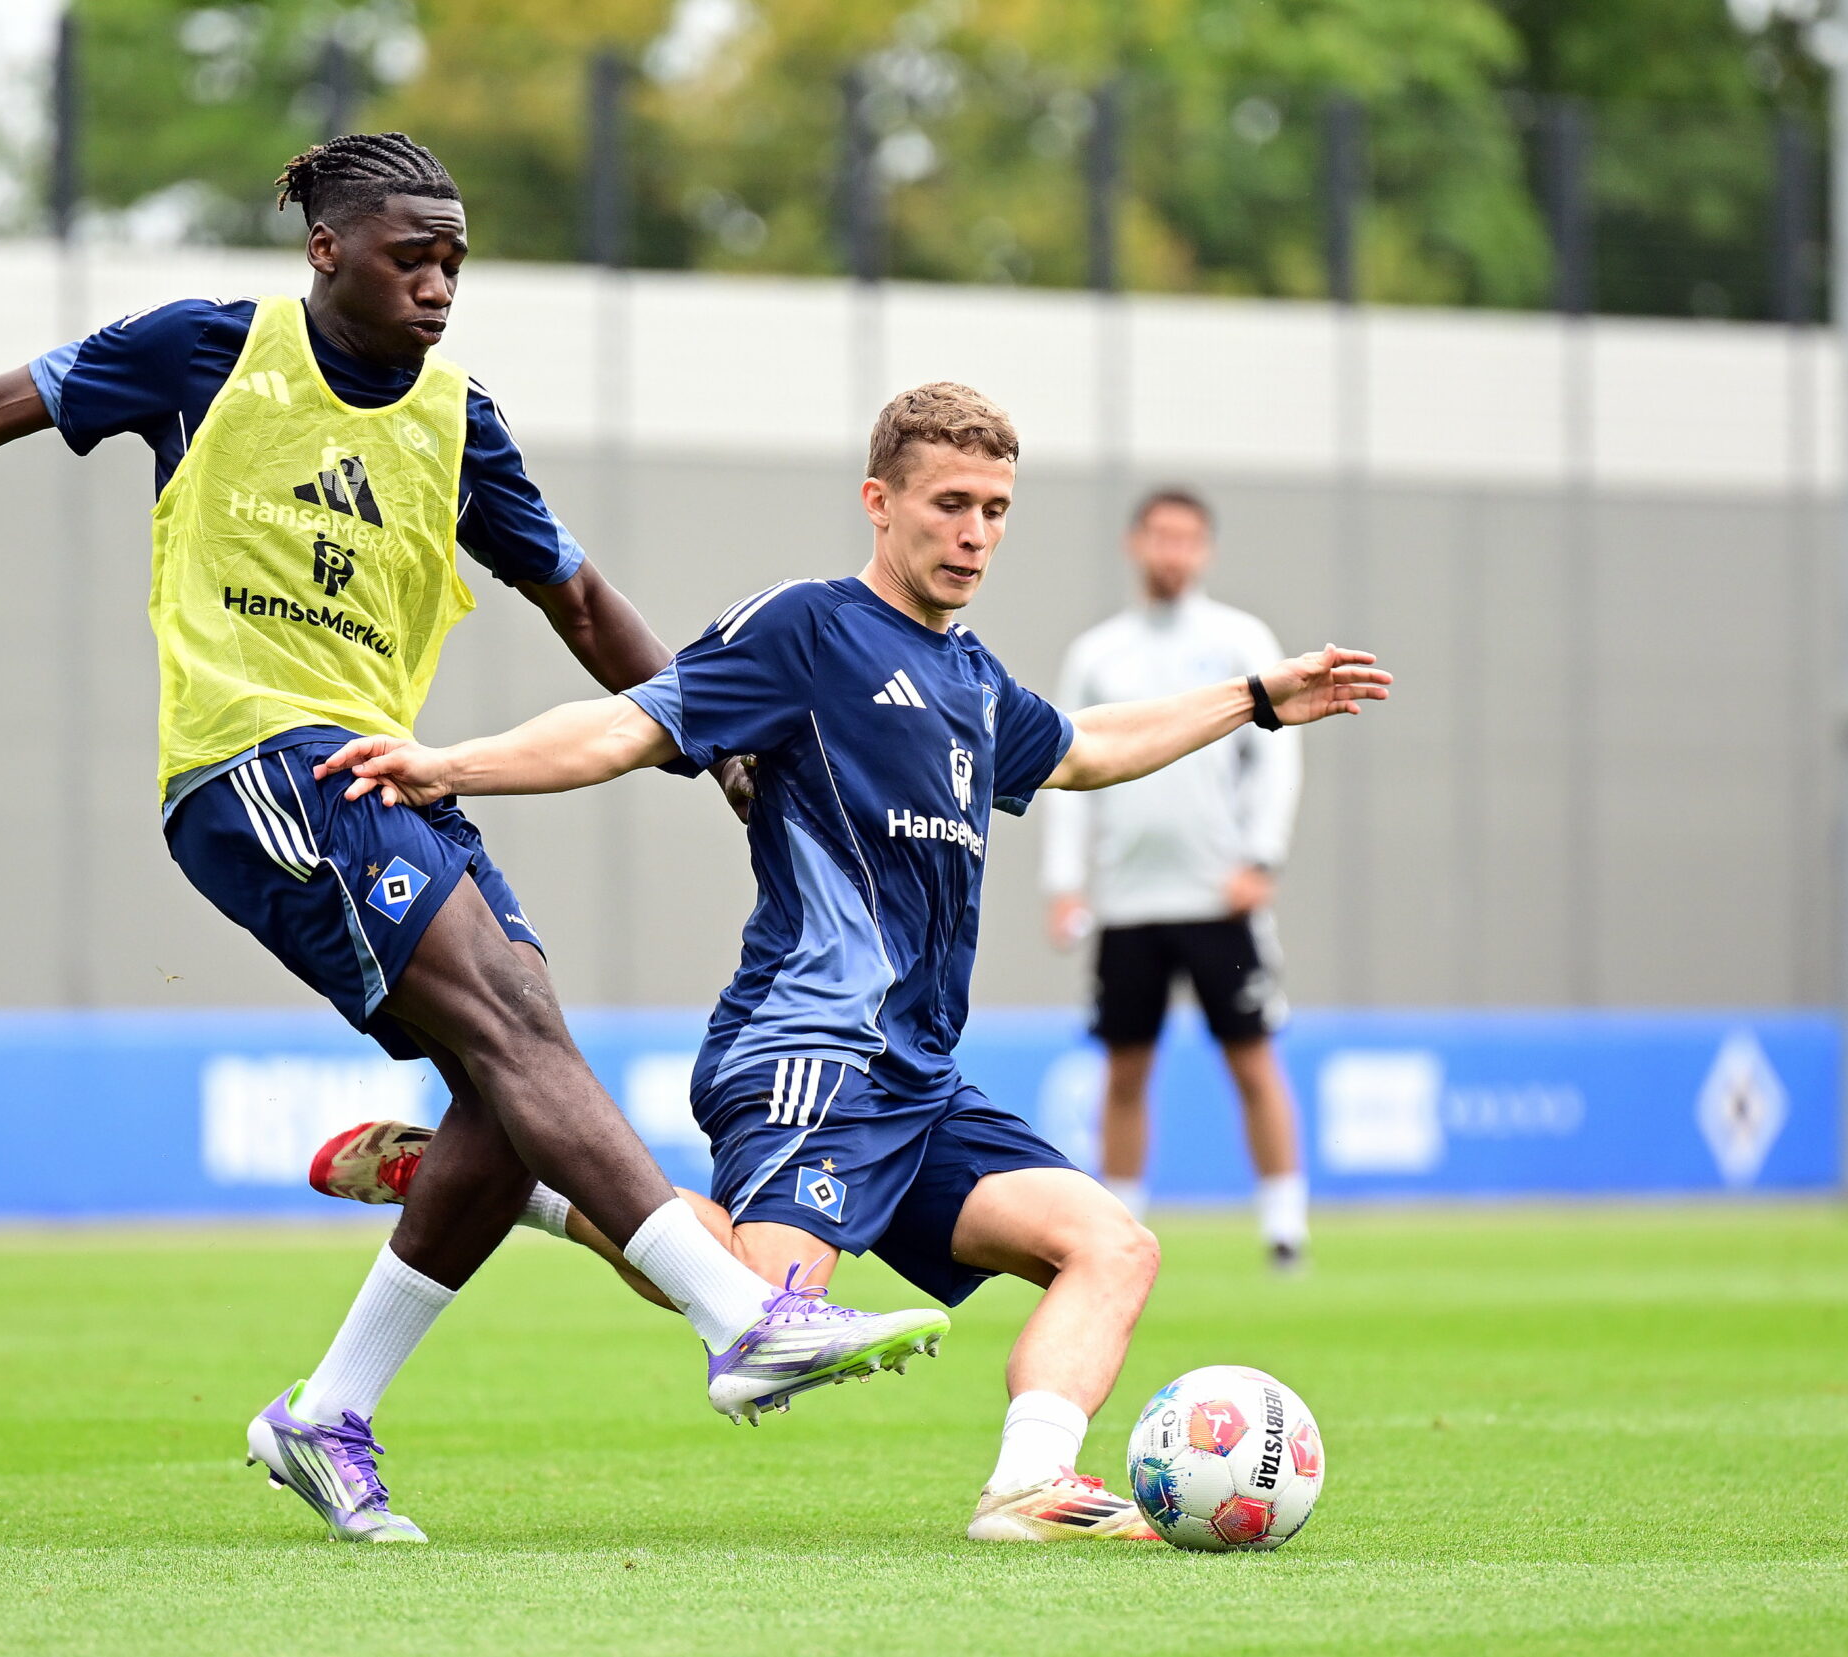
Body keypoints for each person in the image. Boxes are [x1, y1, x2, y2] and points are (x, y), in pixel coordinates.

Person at [0, 133, 948, 1546]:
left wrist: (717, 746)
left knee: (504, 1092)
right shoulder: (202, 350)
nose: (439, 284)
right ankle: (740, 1315)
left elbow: (575, 597)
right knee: (515, 1024)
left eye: (454, 261)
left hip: (386, 774)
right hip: (252, 761)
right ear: (327, 250)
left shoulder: (459, 421)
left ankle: (326, 1412)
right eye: (411, 256)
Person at [306, 383, 1390, 1541]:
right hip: (806, 1047)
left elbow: (1085, 750)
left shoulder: (972, 679)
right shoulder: (807, 630)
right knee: (763, 1310)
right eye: (949, 504)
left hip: (918, 1078)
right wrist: (451, 764)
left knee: (1111, 1245)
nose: (974, 533)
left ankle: (1029, 1485)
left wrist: (1251, 699)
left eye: (995, 509)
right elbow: (627, 727)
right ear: (880, 502)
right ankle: (520, 1184)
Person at [1041, 489, 1313, 1271]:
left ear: (1206, 550)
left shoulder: (1240, 640)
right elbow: (1062, 768)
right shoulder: (1099, 654)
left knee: (1252, 1059)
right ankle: (1120, 1229)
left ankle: (1285, 1227)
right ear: (1136, 543)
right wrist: (1066, 881)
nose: (1173, 551)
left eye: (1187, 538)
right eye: (1161, 536)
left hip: (1218, 898)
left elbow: (1277, 758)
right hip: (1127, 902)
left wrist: (1261, 857)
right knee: (1125, 1069)